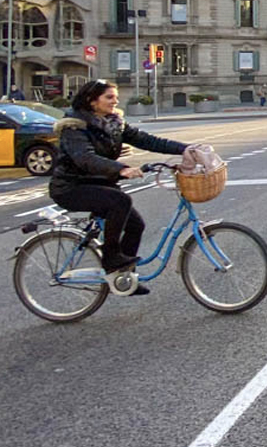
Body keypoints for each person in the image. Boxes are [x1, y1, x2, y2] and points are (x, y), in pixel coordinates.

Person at [50, 80, 189, 293]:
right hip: (71, 186)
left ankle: (124, 280)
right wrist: (121, 168)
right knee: (121, 201)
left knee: (136, 225)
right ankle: (112, 258)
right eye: (109, 97)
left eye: (115, 97)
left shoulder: (113, 122)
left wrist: (187, 149)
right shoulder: (74, 126)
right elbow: (84, 158)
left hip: (100, 184)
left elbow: (147, 140)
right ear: (91, 100)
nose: (115, 101)